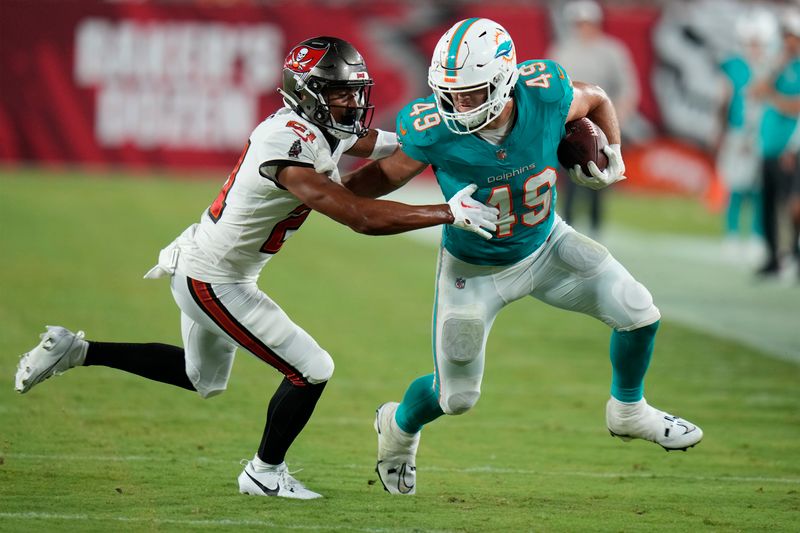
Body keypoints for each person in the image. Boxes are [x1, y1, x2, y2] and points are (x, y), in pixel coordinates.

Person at [13, 36, 498, 500]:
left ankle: (76, 351)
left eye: (354, 92)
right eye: (338, 93)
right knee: (312, 368)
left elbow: (367, 142)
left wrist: (431, 138)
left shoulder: (316, 125)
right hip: (214, 279)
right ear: (308, 96)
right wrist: (446, 211)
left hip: (211, 265)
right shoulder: (284, 148)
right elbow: (358, 214)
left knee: (201, 378)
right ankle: (265, 472)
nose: (352, 104)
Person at [342, 18, 703, 496]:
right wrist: (330, 191)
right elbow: (380, 179)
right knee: (456, 398)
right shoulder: (433, 129)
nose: (456, 105)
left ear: (504, 81)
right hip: (474, 270)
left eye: (470, 93)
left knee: (639, 311)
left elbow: (595, 96)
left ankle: (629, 411)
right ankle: (399, 427)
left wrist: (613, 152)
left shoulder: (545, 92)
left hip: (546, 243)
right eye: (448, 94)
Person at [547, 0, 642, 237]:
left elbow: (627, 89)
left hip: (599, 122)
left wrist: (615, 117)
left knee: (599, 175)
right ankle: (565, 228)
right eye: (578, 23)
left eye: (586, 22)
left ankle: (595, 229)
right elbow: (551, 90)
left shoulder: (611, 51)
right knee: (567, 179)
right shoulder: (562, 50)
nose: (582, 28)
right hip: (567, 124)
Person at [714, 12, 773, 260]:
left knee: (759, 187)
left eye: (757, 42)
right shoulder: (734, 66)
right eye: (750, 42)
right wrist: (719, 130)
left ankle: (759, 236)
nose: (754, 47)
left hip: (765, 132)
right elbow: (723, 101)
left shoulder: (771, 65)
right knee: (735, 184)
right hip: (738, 131)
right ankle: (732, 233)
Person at [751, 12, 800, 277]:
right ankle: (772, 257)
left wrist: (773, 97)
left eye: (791, 36)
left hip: (790, 148)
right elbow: (755, 90)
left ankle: (794, 254)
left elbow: (795, 106)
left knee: (791, 205)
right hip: (768, 145)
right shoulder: (778, 63)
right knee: (768, 203)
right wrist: (777, 68)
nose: (787, 41)